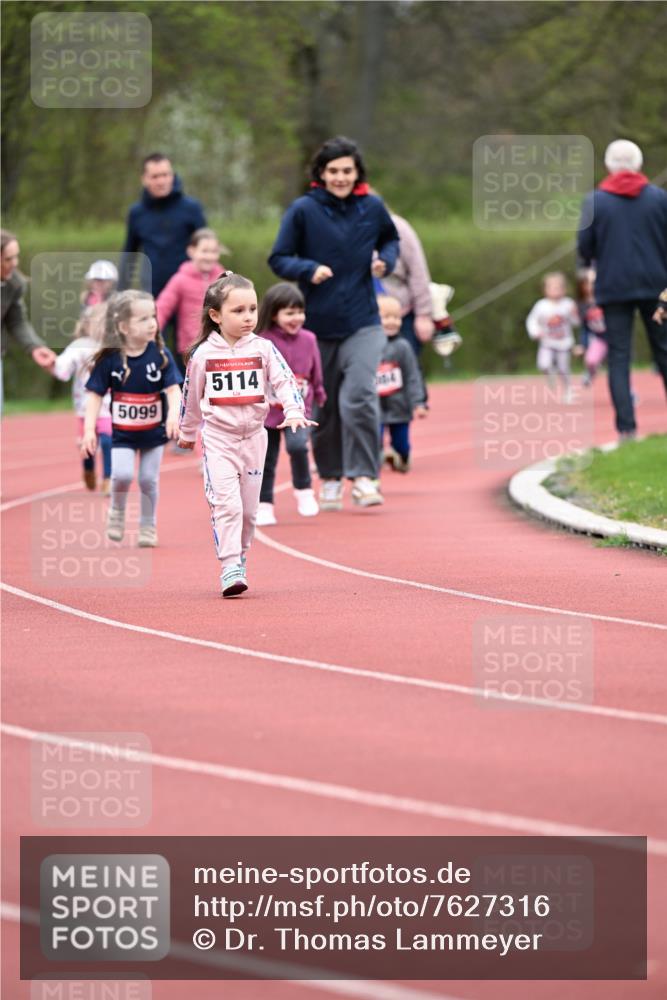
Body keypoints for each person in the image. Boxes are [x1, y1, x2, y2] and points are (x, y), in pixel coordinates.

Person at [268, 136, 399, 511]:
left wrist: (384, 262)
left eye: (347, 171)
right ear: (321, 174)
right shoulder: (303, 210)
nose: (341, 178)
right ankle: (329, 476)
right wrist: (308, 269)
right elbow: (279, 258)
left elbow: (391, 240)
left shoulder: (371, 207)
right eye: (334, 171)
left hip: (363, 321)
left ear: (357, 173)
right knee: (323, 407)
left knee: (358, 397)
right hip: (316, 327)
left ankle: (364, 477)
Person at [178, 274, 315, 598]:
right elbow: (191, 396)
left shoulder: (263, 348)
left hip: (254, 438)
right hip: (219, 440)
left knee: (250, 511)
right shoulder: (202, 355)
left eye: (252, 309)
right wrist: (186, 433)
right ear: (216, 315)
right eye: (238, 311)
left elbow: (284, 382)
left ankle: (240, 555)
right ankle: (229, 566)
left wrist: (295, 411)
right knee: (227, 505)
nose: (248, 317)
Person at [577, 139, 667, 439]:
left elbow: (585, 247)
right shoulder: (659, 198)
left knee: (618, 356)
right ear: (639, 165)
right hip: (658, 288)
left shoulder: (595, 202)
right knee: (664, 352)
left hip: (613, 287)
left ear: (608, 166)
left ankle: (626, 429)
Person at [81, 290, 182, 547]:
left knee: (148, 479)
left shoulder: (160, 355)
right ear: (123, 326)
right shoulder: (111, 359)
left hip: (154, 434)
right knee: (123, 475)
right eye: (143, 319)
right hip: (123, 433)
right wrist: (89, 430)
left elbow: (173, 389)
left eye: (153, 317)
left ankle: (148, 525)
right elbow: (94, 395)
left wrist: (173, 415)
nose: (152, 324)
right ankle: (117, 510)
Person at [254, 282, 326, 526]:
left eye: (300, 312)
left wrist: (319, 391)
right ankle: (264, 504)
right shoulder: (261, 341)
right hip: (267, 413)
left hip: (299, 408)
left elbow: (316, 370)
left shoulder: (309, 339)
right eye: (289, 313)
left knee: (298, 447)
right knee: (266, 458)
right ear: (274, 314)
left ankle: (304, 491)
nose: (296, 318)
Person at [120, 153, 207, 299]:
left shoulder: (192, 209)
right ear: (144, 179)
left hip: (186, 293)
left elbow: (207, 250)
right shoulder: (136, 213)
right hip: (152, 293)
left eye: (165, 175)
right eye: (155, 177)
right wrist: (120, 293)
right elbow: (130, 255)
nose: (161, 181)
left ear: (172, 175)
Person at [51, 303, 113, 494]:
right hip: (84, 405)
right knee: (87, 443)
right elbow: (63, 366)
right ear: (87, 324)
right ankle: (88, 469)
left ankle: (108, 478)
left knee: (108, 440)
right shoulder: (79, 346)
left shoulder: (114, 346)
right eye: (98, 322)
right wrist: (52, 363)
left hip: (108, 405)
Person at [156, 227, 227, 372]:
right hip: (190, 349)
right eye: (204, 251)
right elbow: (162, 308)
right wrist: (152, 332)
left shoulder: (224, 279)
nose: (209, 256)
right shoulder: (180, 280)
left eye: (213, 252)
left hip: (221, 347)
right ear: (191, 251)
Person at [1, 230, 57, 409]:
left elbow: (16, 321)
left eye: (15, 257)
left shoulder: (14, 283)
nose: (14, 263)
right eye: (8, 259)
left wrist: (35, 347)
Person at [376, 295, 427, 474]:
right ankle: (377, 461)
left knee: (401, 442)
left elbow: (413, 375)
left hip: (400, 407)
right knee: (374, 438)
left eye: (396, 318)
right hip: (375, 406)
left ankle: (403, 457)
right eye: (386, 317)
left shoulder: (404, 347)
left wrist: (419, 402)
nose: (392, 322)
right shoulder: (368, 346)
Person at [526, 273, 580, 402]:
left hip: (564, 343)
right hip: (547, 342)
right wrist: (535, 332)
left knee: (563, 368)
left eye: (559, 287)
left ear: (564, 289)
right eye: (552, 288)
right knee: (543, 364)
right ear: (545, 290)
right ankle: (550, 375)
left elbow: (576, 322)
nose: (556, 290)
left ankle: (568, 391)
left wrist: (575, 314)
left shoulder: (568, 304)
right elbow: (531, 320)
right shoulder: (541, 305)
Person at [575, 268, 607, 387]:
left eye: (593, 282)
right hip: (599, 339)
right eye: (587, 283)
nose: (591, 286)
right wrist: (583, 344)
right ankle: (591, 373)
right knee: (591, 360)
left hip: (614, 338)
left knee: (619, 366)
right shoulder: (582, 305)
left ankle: (629, 392)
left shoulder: (607, 299)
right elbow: (585, 328)